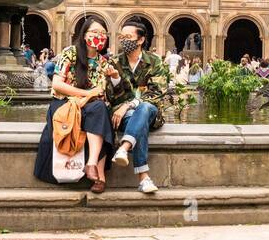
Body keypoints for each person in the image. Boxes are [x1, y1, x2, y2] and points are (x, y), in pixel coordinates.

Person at [34, 16, 116, 194]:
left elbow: (101, 92)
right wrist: (86, 94)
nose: (99, 36)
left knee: (101, 110)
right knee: (99, 114)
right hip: (64, 103)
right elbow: (57, 84)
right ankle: (100, 176)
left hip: (90, 105)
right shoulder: (70, 53)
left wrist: (114, 78)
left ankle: (92, 164)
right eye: (94, 32)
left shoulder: (104, 62)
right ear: (84, 34)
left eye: (102, 33)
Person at [106, 20, 170, 195]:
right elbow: (111, 97)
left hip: (150, 112)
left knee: (144, 108)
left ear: (140, 40)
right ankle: (143, 178)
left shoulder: (154, 61)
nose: (124, 40)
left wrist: (130, 104)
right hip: (123, 116)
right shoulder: (115, 62)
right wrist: (116, 79)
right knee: (139, 120)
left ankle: (124, 147)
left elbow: (157, 92)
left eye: (128, 37)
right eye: (122, 37)